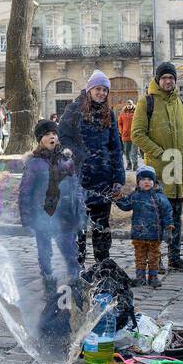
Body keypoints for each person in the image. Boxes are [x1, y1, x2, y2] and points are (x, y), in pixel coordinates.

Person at [131, 62, 183, 273]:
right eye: (164, 78)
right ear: (158, 80)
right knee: (157, 217)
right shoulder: (146, 102)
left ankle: (174, 257)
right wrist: (160, 153)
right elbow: (137, 134)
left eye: (171, 77)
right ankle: (156, 259)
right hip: (158, 171)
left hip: (179, 169)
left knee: (176, 216)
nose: (168, 81)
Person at [58, 70, 124, 266]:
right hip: (79, 177)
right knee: (78, 224)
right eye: (98, 89)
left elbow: (115, 146)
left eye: (105, 90)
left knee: (101, 225)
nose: (101, 93)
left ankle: (102, 264)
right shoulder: (74, 110)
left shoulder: (108, 114)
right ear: (90, 89)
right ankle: (76, 266)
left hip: (103, 177)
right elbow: (63, 136)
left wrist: (118, 177)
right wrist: (79, 154)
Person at [18, 120, 82, 290]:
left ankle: (74, 277)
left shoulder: (67, 161)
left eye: (54, 133)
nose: (51, 136)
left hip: (65, 214)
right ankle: (48, 278)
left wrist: (80, 212)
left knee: (69, 249)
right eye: (47, 134)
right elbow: (25, 192)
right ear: (40, 140)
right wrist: (26, 218)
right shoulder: (34, 164)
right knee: (44, 252)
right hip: (43, 215)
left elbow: (76, 188)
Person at [114, 164, 172, 288]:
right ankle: (140, 276)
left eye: (149, 180)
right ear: (138, 182)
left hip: (155, 234)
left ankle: (153, 276)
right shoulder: (134, 196)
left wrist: (168, 229)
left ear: (154, 182)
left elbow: (167, 213)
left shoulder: (159, 197)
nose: (146, 182)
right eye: (143, 180)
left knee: (153, 257)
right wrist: (117, 197)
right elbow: (125, 205)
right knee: (139, 256)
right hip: (138, 234)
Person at [118, 99, 137, 170]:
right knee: (126, 152)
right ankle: (129, 164)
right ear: (126, 105)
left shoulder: (136, 112)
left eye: (130, 104)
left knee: (134, 152)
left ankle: (135, 165)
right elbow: (119, 123)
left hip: (135, 135)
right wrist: (121, 131)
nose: (129, 106)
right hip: (125, 135)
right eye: (128, 104)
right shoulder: (122, 113)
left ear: (132, 105)